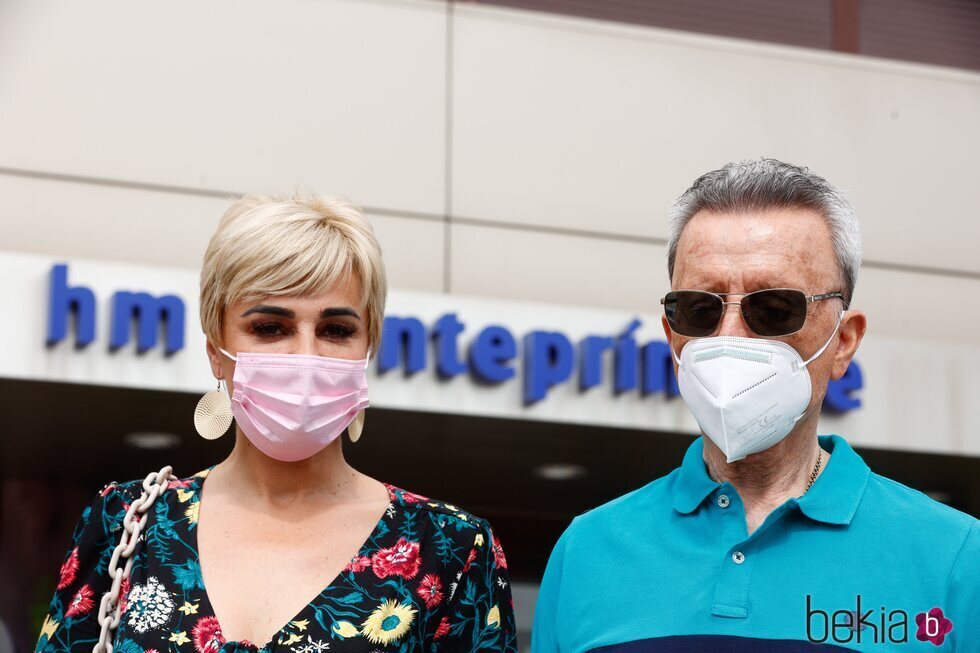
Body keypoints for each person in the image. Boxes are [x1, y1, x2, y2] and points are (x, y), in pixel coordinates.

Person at [36, 194, 517, 653]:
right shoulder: (127, 522)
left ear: (367, 346)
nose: (306, 354)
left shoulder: (451, 550)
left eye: (336, 329)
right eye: (270, 327)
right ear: (215, 352)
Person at [532, 159, 979, 652]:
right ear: (670, 335)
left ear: (844, 340)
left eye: (772, 309)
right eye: (700, 309)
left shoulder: (956, 559)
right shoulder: (587, 551)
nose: (728, 337)